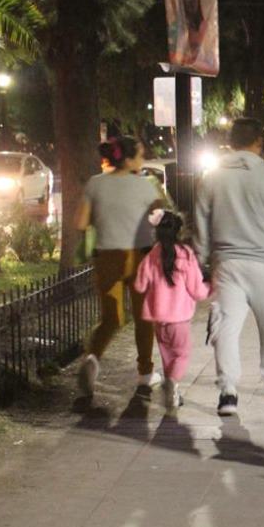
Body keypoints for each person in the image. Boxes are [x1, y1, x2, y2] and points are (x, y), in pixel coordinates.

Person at [194, 118, 264, 416]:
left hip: (227, 264)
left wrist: (202, 262)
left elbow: (200, 226)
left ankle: (228, 392)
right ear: (259, 142)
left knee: (226, 328)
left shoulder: (211, 178)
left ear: (231, 142)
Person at [75, 136, 168, 397]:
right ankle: (145, 375)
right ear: (128, 159)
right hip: (140, 256)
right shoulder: (147, 187)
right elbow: (163, 219)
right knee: (143, 318)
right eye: (140, 154)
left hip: (106, 257)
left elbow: (81, 223)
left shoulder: (95, 183)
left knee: (111, 318)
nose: (143, 158)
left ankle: (92, 359)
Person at [132, 209, 210, 411]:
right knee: (182, 355)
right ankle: (172, 385)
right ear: (178, 230)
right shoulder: (185, 254)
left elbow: (139, 285)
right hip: (179, 317)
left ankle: (173, 392)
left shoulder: (151, 255)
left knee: (167, 356)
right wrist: (210, 288)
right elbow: (197, 291)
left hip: (158, 318)